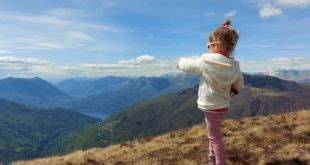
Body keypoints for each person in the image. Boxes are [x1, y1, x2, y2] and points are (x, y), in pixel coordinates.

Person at [177, 19, 244, 165]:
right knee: (213, 133)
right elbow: (239, 82)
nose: (207, 49)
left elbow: (187, 65)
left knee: (215, 137)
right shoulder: (234, 65)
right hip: (223, 105)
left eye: (208, 46)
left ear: (214, 45)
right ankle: (211, 156)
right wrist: (234, 91)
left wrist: (179, 62)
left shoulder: (205, 61)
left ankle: (220, 162)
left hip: (211, 106)